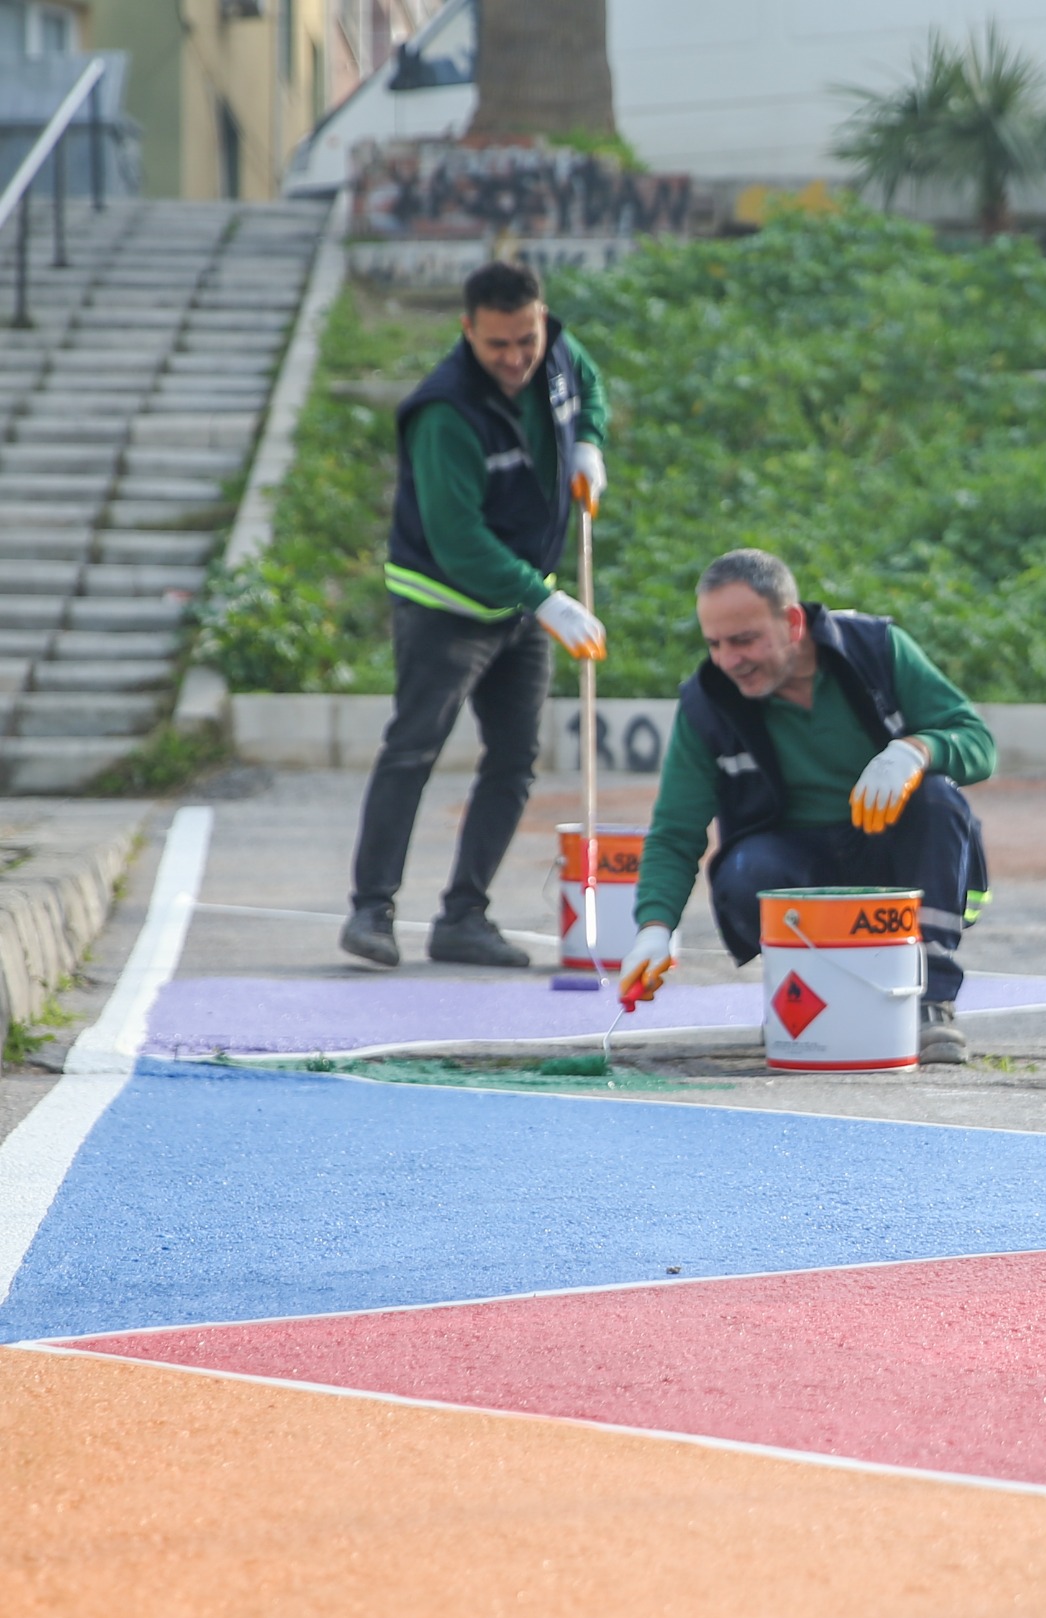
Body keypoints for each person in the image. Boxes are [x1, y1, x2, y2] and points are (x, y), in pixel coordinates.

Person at [615, 550, 995, 1066]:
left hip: (891, 861)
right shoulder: (708, 702)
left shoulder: (877, 651)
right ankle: (809, 990)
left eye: (744, 639)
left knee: (937, 800)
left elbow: (977, 741)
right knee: (749, 870)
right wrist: (654, 930)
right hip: (794, 872)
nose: (729, 660)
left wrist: (916, 750)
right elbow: (675, 832)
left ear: (793, 623)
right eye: (714, 644)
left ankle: (929, 1002)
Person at [341, 258, 612, 970]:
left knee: (515, 759)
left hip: (524, 602)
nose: (518, 357)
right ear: (468, 332)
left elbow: (588, 386)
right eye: (499, 345)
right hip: (446, 605)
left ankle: (464, 916)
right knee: (413, 750)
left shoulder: (553, 347)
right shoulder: (445, 412)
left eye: (526, 339)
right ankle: (372, 909)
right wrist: (547, 600)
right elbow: (459, 543)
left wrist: (590, 441)